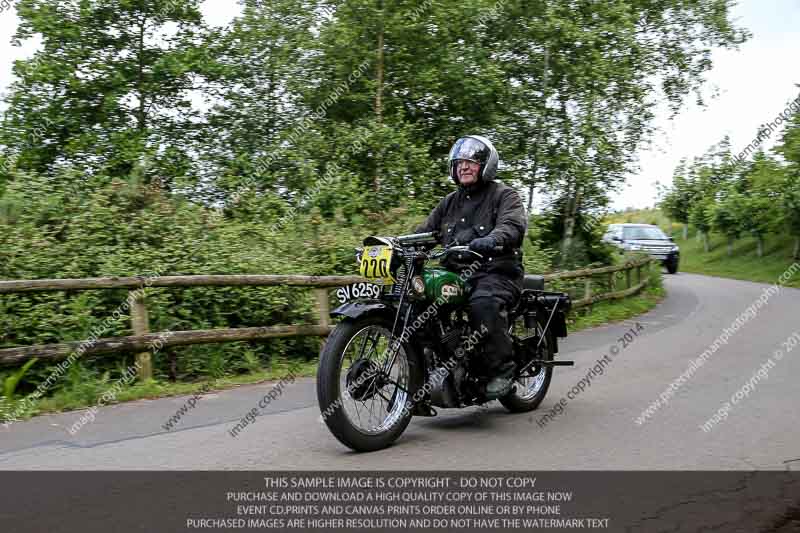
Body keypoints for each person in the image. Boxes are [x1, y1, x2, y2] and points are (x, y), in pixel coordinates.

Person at [414, 135, 527, 399]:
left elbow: (513, 226)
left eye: (471, 162)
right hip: (456, 274)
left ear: (486, 166)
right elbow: (425, 234)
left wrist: (493, 239)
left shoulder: (504, 195)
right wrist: (398, 245)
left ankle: (502, 370)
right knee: (418, 300)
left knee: (483, 303)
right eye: (459, 162)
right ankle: (432, 365)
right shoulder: (449, 202)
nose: (464, 167)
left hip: (496, 271)